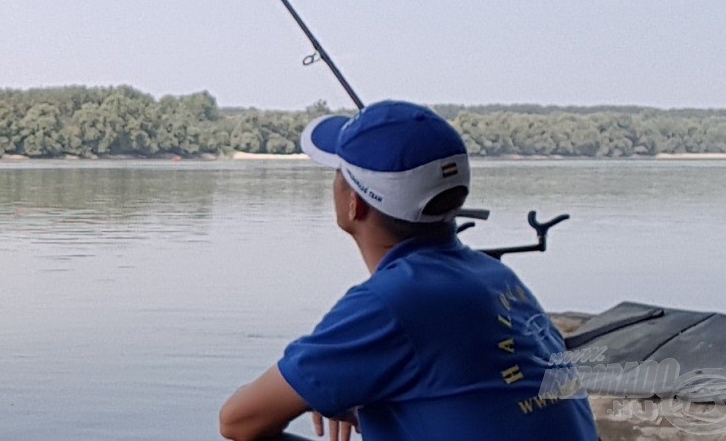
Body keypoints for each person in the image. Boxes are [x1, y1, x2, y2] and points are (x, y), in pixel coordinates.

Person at [219, 100, 596, 441]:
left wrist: (326, 391)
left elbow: (237, 421)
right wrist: (337, 392)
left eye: (338, 172)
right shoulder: (492, 276)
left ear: (353, 205)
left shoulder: (391, 301)